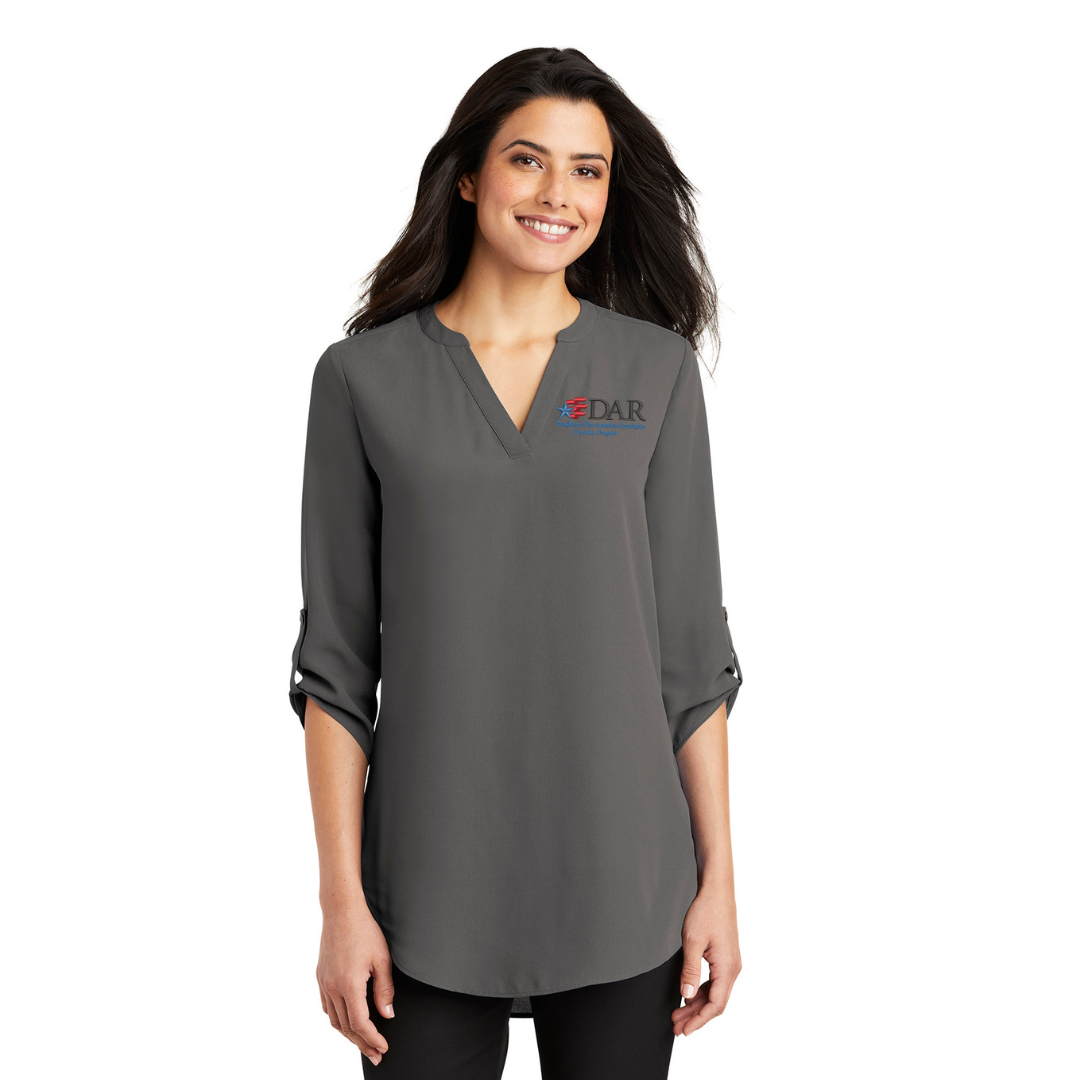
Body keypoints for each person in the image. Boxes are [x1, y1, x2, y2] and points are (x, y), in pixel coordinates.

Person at [289, 46, 745, 1079]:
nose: (558, 195)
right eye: (528, 160)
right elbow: (335, 670)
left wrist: (719, 878)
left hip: (627, 881)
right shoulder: (363, 381)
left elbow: (691, 656)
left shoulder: (653, 374)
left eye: (588, 170)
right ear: (468, 175)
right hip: (425, 891)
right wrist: (340, 903)